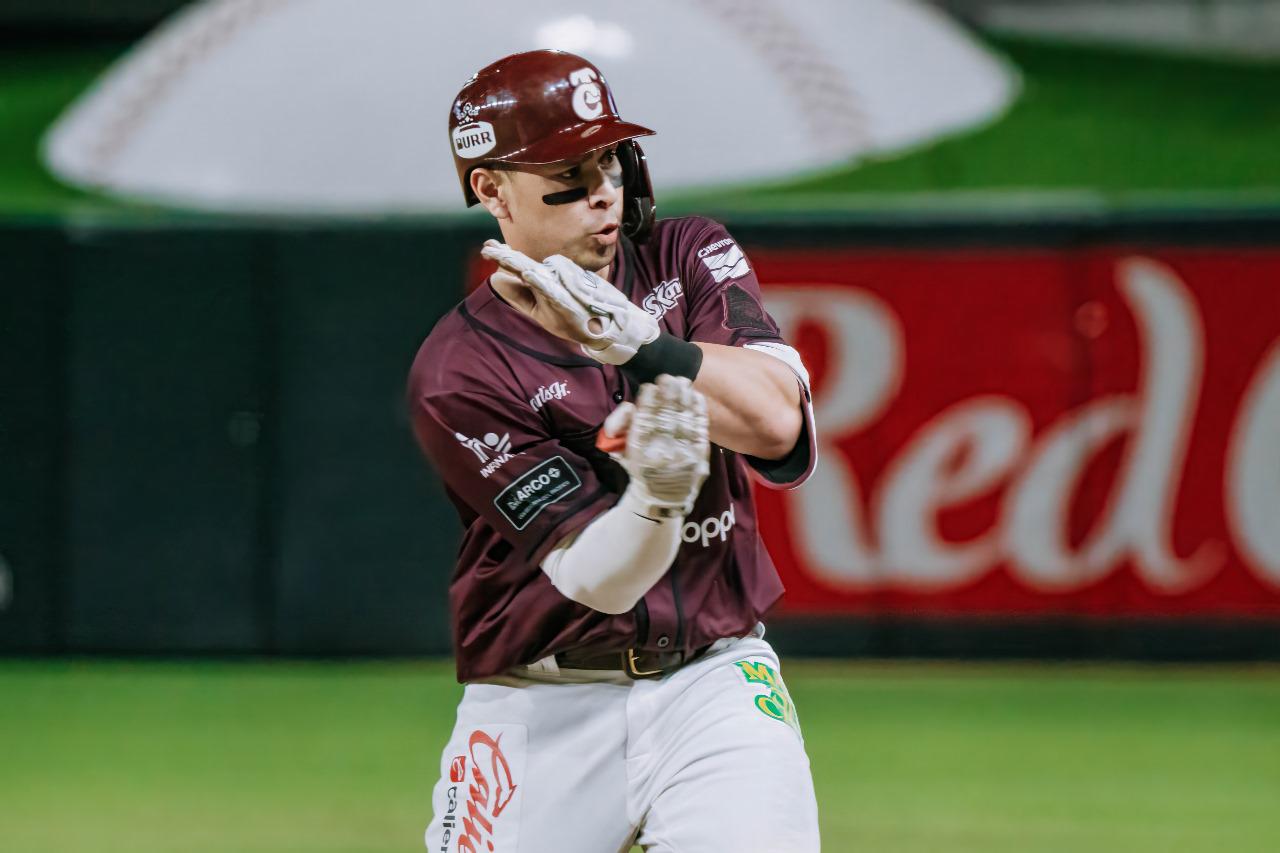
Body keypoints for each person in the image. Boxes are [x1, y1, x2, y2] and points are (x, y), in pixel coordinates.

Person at [408, 49, 821, 852]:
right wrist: (658, 495)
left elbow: (778, 424)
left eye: (608, 160)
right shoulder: (459, 368)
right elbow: (598, 579)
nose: (601, 190)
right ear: (492, 190)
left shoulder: (684, 253)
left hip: (715, 676)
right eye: (566, 174)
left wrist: (644, 346)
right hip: (539, 703)